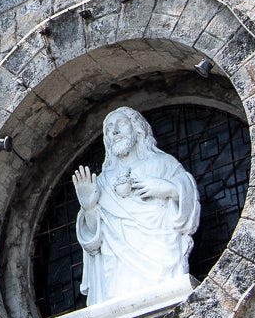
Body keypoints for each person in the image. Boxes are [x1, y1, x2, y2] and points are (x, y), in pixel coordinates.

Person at [70, 107, 199, 307]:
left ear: (136, 130)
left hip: (161, 254)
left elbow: (187, 198)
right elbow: (93, 245)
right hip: (116, 272)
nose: (114, 132)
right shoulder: (101, 183)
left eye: (120, 124)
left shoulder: (163, 164)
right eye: (109, 129)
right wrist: (88, 208)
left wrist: (169, 189)